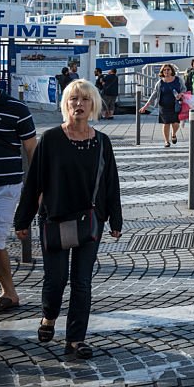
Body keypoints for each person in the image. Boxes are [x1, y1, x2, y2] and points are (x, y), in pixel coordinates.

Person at [14, 79, 121, 359]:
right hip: (55, 219)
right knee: (56, 280)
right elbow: (34, 182)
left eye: (85, 100)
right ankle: (48, 317)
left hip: (89, 220)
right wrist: (22, 221)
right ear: (66, 104)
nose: (79, 104)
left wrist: (116, 221)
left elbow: (111, 183)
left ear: (93, 105)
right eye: (74, 99)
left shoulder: (101, 142)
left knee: (82, 282)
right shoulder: (50, 139)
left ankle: (75, 339)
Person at [0, 64, 37, 314]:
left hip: (5, 186)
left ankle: (9, 293)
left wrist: (38, 187)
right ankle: (10, 293)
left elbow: (32, 149)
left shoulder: (16, 108)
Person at [140, 64, 184, 147]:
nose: (166, 71)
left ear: (172, 71)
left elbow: (184, 89)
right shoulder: (160, 82)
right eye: (164, 70)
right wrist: (145, 106)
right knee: (166, 123)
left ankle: (173, 134)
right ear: (162, 72)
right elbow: (154, 95)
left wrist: (181, 94)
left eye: (168, 69)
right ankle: (166, 141)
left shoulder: (178, 80)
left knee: (176, 123)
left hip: (176, 105)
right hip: (163, 106)